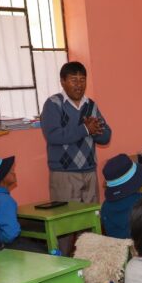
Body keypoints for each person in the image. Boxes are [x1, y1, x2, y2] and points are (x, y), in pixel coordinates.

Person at [40, 61, 111, 205]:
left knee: (92, 214)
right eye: (73, 80)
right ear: (62, 82)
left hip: (90, 172)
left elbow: (106, 137)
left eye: (82, 80)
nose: (79, 85)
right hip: (63, 174)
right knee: (68, 217)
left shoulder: (91, 105)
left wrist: (95, 130)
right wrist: (85, 129)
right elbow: (53, 135)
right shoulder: (53, 104)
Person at [0, 155, 45, 252]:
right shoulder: (4, 200)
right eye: (10, 171)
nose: (14, 173)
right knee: (43, 251)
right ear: (0, 178)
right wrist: (0, 238)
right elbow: (11, 233)